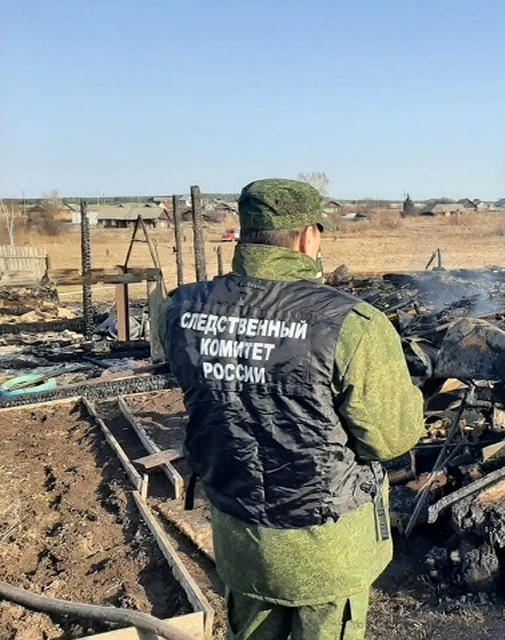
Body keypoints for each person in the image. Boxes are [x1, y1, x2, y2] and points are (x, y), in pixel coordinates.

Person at [158, 178, 424, 640]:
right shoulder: (352, 323)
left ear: (246, 232)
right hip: (325, 547)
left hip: (239, 536)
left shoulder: (180, 309)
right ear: (308, 237)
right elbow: (391, 438)